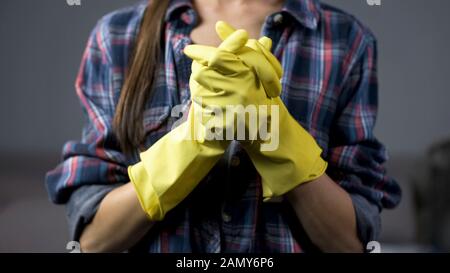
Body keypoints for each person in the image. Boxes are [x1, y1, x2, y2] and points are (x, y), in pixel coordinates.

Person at [46, 0, 401, 253]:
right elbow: (92, 242)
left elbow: (352, 244)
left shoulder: (346, 40)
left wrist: (276, 135)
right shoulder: (119, 37)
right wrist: (193, 140)